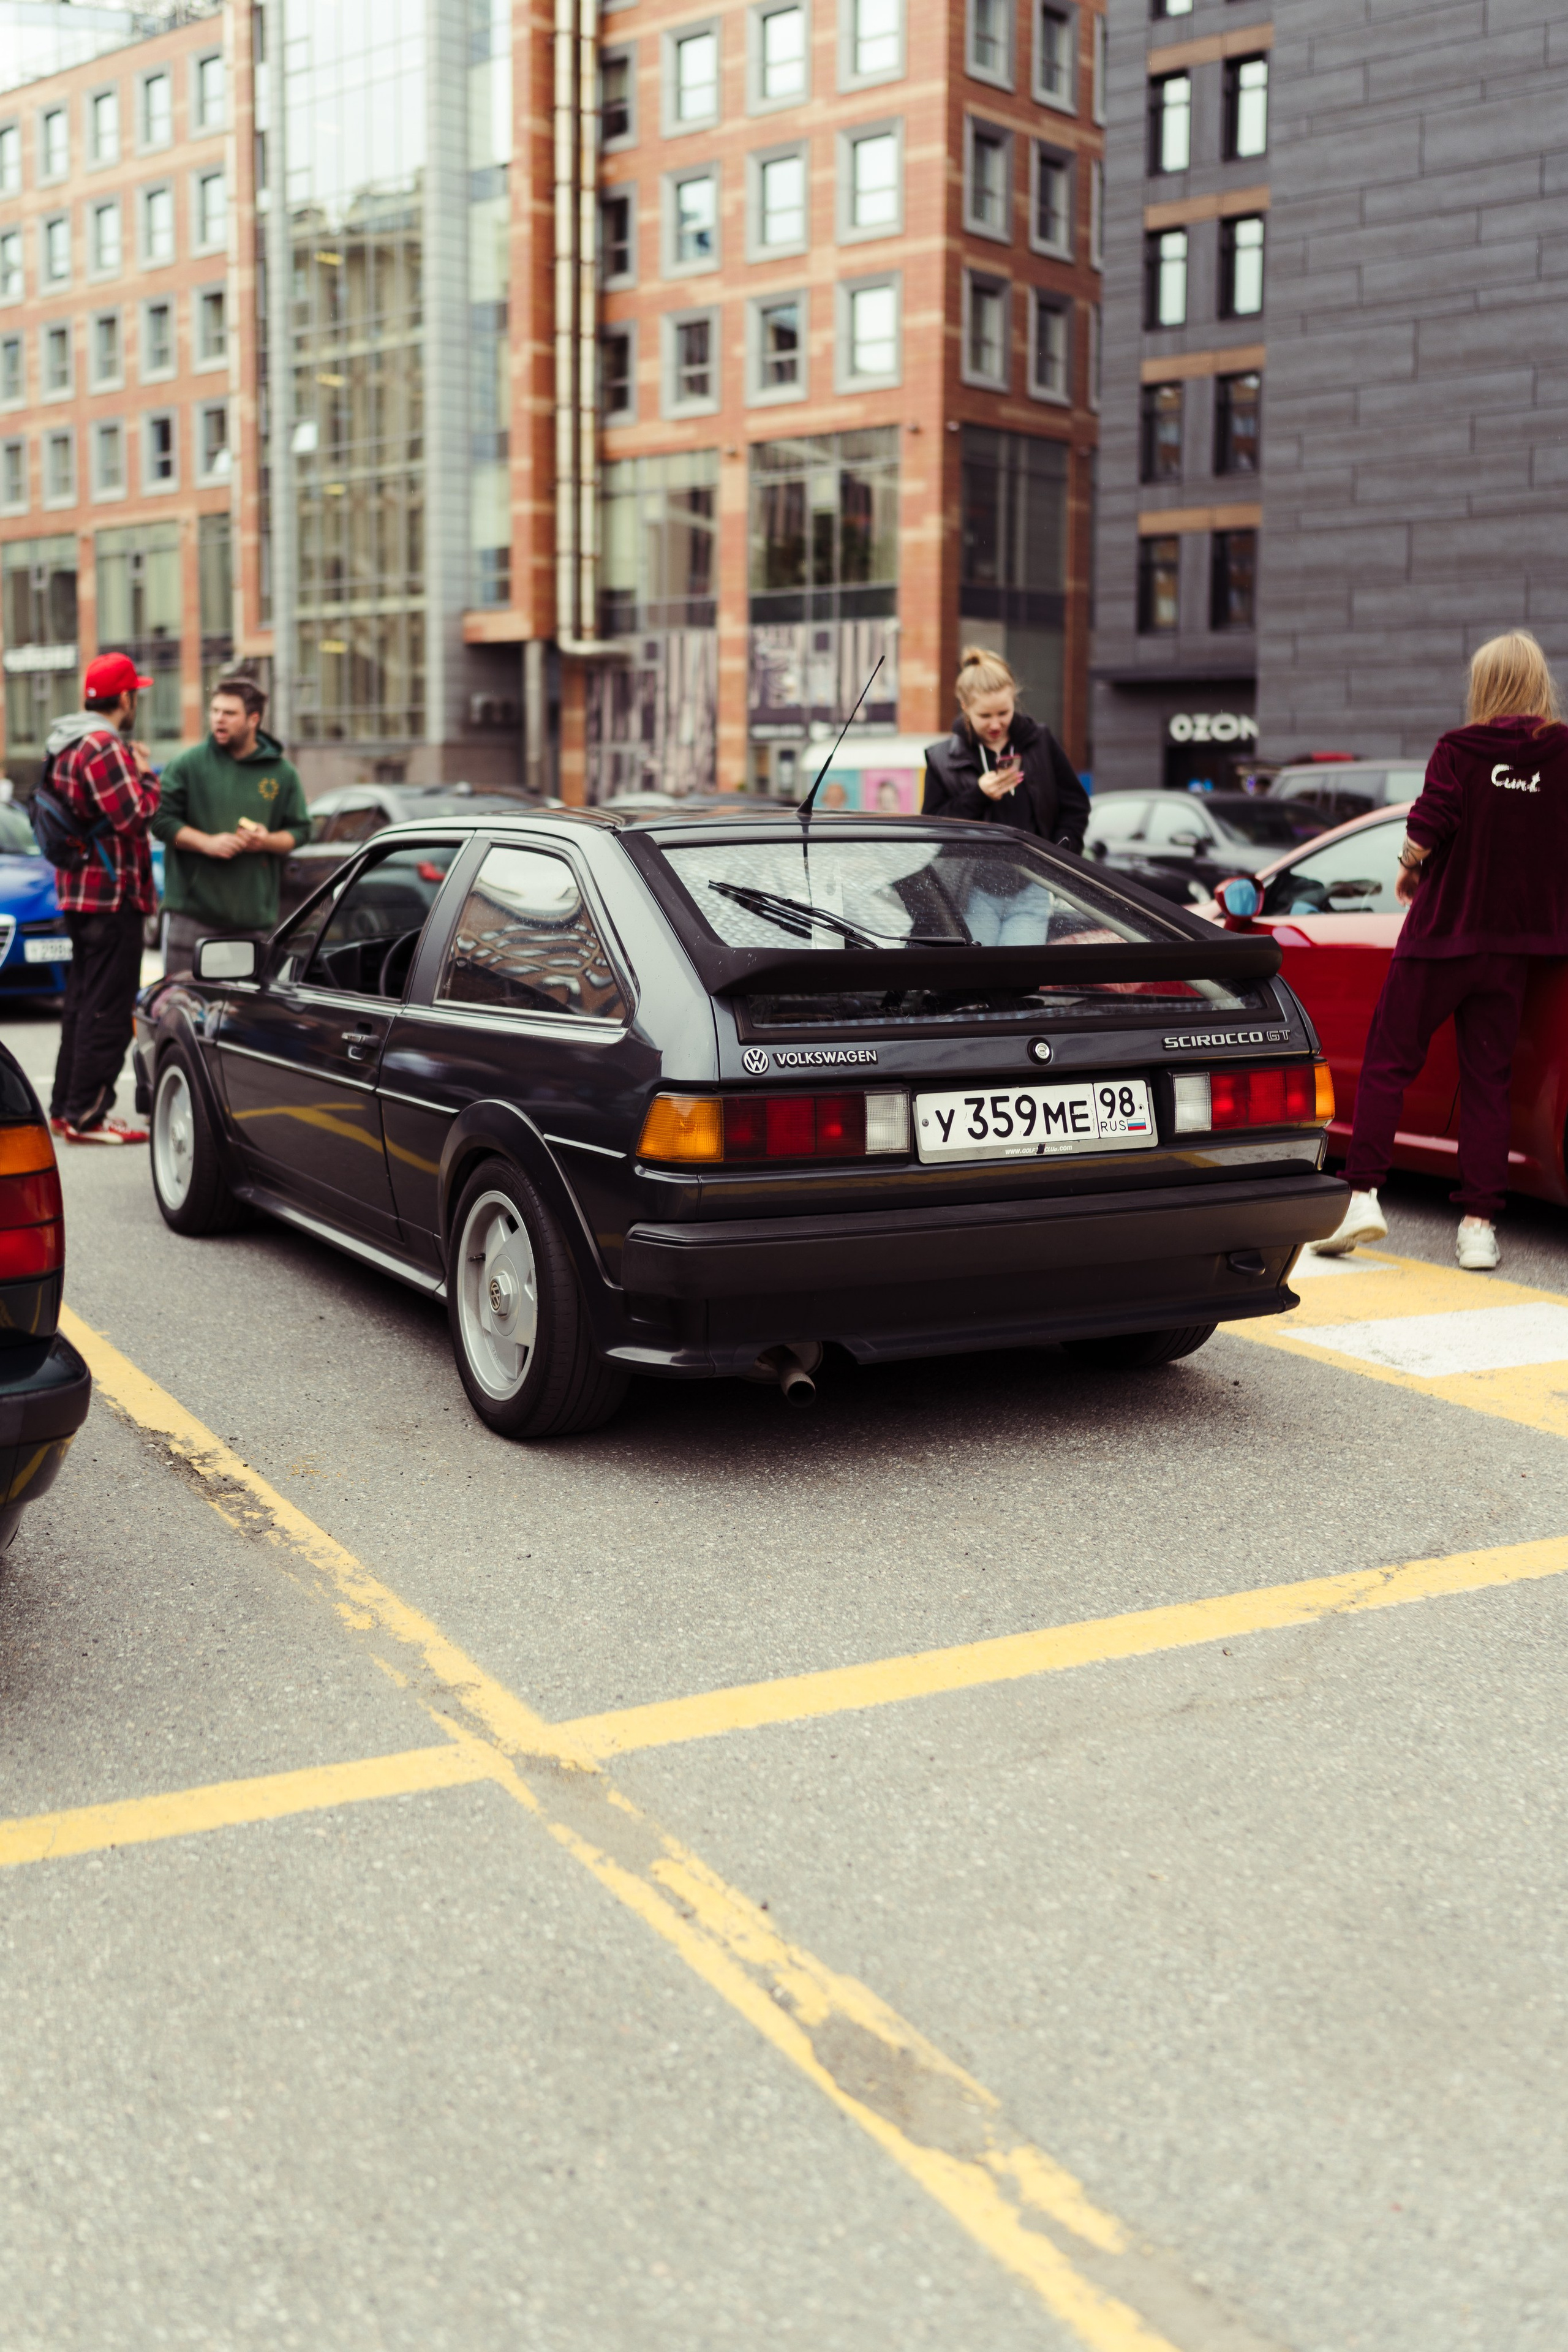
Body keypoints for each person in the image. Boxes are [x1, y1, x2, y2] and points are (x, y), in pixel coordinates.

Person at [1316, 630, 1568, 1271]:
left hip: (1440, 939)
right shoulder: (1563, 754)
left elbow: (1428, 823)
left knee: (1387, 1063)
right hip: (1512, 951)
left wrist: (1407, 867)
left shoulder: (1459, 748)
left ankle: (1363, 1196)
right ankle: (1479, 1227)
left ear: (1483, 686)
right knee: (1489, 1082)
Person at [44, 652, 160, 1144]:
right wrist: (148, 774)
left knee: (81, 1003)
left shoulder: (64, 743)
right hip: (112, 897)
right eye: (137, 694)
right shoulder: (104, 745)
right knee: (109, 1008)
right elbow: (134, 817)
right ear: (126, 698)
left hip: (77, 893)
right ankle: (88, 1115)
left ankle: (66, 1108)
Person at [922, 646, 1090, 944]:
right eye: (985, 715)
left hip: (1034, 887)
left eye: (1004, 713)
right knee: (979, 978)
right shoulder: (942, 759)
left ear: (1015, 700)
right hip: (972, 891)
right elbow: (932, 829)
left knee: (1017, 977)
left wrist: (1058, 857)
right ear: (964, 707)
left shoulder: (1040, 742)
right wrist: (978, 795)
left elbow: (1075, 807)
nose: (996, 724)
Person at [152, 676, 311, 966]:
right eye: (215, 711)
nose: (218, 720)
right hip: (192, 916)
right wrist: (206, 843)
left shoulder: (282, 772)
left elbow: (300, 831)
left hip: (252, 920)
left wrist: (267, 841)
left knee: (242, 1010)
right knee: (184, 1005)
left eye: (229, 713)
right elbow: (160, 821)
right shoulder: (187, 764)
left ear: (253, 719)